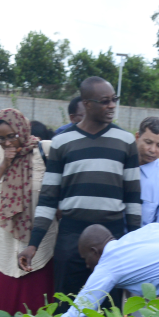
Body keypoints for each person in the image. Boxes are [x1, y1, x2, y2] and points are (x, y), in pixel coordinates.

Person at [20, 77, 141, 299]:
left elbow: (133, 199)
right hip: (71, 237)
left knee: (107, 312)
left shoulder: (125, 141)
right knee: (67, 306)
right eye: (105, 101)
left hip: (110, 240)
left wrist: (132, 242)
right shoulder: (62, 141)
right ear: (87, 104)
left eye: (114, 99)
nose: (112, 105)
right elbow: (48, 198)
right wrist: (33, 244)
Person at [0, 108, 57, 315]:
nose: (7, 143)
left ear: (22, 129)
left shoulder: (46, 151)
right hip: (1, 252)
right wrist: (3, 166)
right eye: (0, 139)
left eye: (12, 136)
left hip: (41, 251)